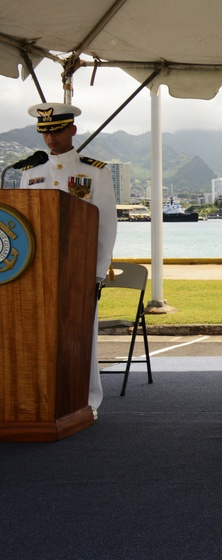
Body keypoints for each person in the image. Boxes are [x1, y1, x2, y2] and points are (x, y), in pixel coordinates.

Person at [20, 102, 118, 419]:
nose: (51, 139)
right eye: (45, 132)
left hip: (78, 270)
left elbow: (105, 224)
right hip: (36, 271)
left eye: (57, 131)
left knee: (81, 336)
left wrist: (98, 272)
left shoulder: (93, 172)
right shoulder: (30, 174)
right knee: (38, 336)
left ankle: (87, 400)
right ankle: (42, 398)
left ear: (72, 130)